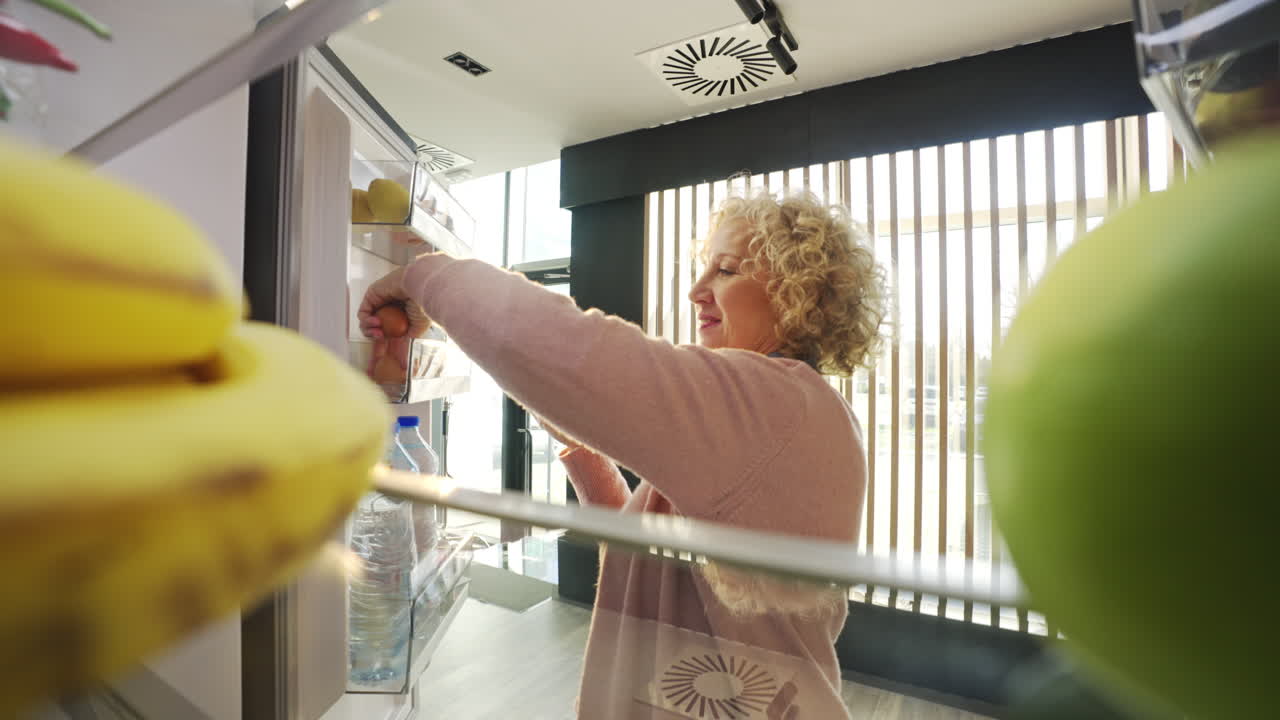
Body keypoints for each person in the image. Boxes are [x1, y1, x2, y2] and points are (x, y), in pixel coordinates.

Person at [359, 189, 886, 718]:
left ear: (800, 292)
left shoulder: (774, 401)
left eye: (726, 270)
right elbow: (647, 548)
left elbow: (574, 353)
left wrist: (423, 277)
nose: (697, 290)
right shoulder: (787, 414)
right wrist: (582, 446)